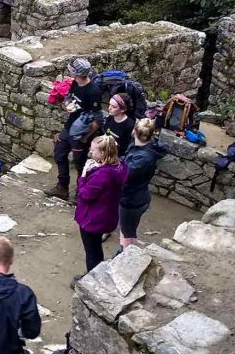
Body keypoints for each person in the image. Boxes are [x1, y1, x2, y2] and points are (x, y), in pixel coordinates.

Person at [46, 57, 102, 200]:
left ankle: (80, 193)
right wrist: (67, 104)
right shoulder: (75, 83)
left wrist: (86, 137)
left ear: (77, 73)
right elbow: (69, 97)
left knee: (80, 164)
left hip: (81, 133)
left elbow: (98, 118)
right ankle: (62, 187)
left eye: (72, 71)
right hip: (69, 127)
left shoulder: (93, 91)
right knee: (59, 153)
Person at [76, 135, 129, 273]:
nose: (90, 152)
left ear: (103, 153)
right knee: (96, 248)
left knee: (92, 251)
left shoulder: (102, 175)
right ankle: (96, 273)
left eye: (93, 150)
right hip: (106, 216)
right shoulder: (120, 166)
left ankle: (92, 278)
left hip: (92, 219)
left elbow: (84, 194)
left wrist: (84, 174)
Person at [118, 119, 164, 254]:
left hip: (132, 200)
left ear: (135, 132)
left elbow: (124, 175)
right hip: (135, 196)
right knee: (126, 227)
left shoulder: (143, 157)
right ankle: (123, 248)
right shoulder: (143, 147)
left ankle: (127, 254)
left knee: (128, 231)